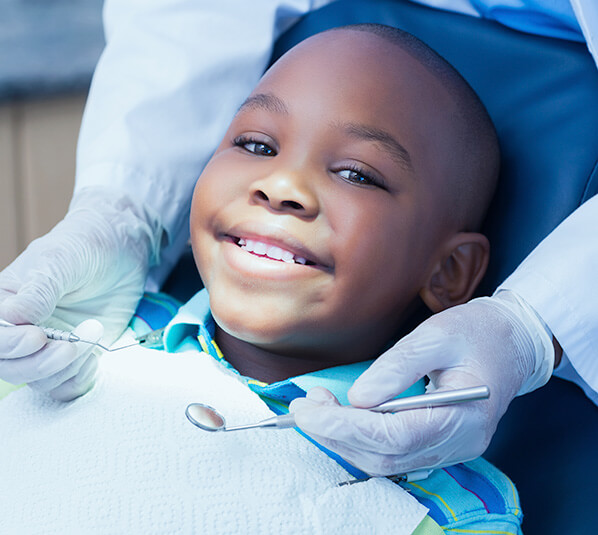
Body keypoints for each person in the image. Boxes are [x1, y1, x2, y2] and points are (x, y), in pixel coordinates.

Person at [0, 0, 596, 476]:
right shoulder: (72, 353)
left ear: (449, 272)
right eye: (257, 146)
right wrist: (120, 210)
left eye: (358, 174)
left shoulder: (451, 502)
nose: (282, 184)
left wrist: (533, 327)